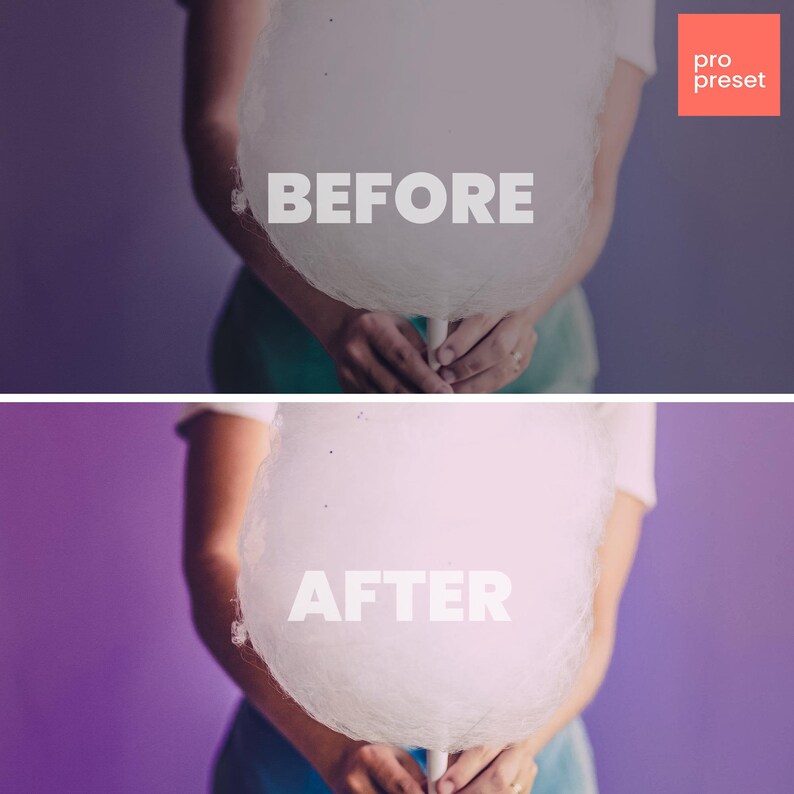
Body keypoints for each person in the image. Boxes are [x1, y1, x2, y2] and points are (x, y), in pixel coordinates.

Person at [180, 1, 657, 394]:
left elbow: (591, 190)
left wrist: (523, 308)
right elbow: (220, 126)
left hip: (521, 352)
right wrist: (332, 314)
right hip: (298, 321)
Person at [180, 402, 657, 793]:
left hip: (522, 768)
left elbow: (588, 618)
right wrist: (329, 745)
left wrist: (520, 746)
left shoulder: (602, 386)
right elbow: (220, 556)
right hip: (299, 747)